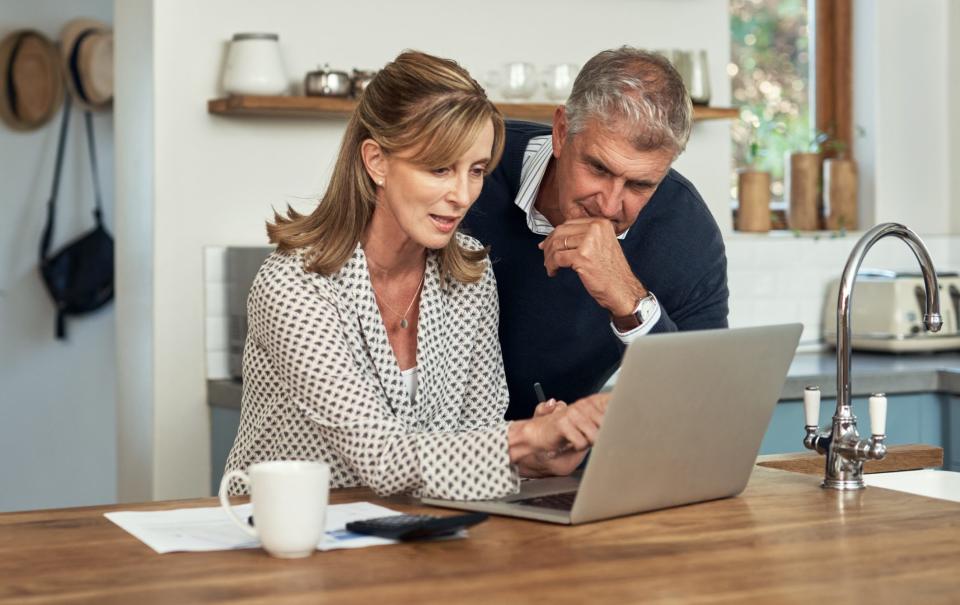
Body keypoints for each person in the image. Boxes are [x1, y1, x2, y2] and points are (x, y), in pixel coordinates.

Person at [224, 51, 606, 501]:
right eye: (439, 168)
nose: (462, 195)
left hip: (416, 536)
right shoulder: (294, 286)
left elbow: (474, 435)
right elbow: (382, 457)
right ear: (376, 161)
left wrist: (533, 461)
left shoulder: (470, 277)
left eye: (477, 170)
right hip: (290, 537)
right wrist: (525, 439)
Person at [463, 47, 729, 421]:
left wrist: (630, 301)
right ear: (560, 131)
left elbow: (704, 405)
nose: (609, 205)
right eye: (599, 169)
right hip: (436, 451)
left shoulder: (686, 231)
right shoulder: (474, 169)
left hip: (558, 459)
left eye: (639, 185)